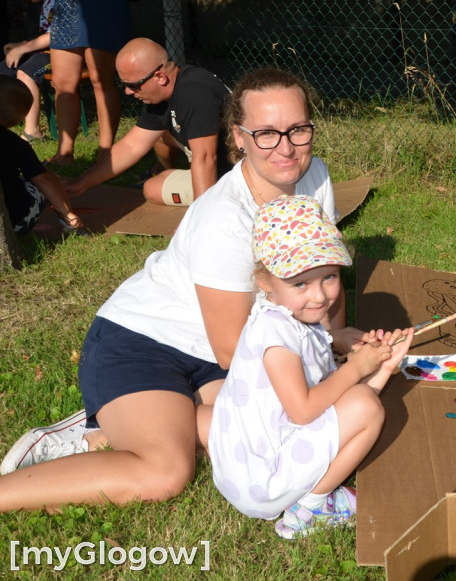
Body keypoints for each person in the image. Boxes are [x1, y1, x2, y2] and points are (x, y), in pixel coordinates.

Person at [0, 68, 371, 509]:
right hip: (144, 342)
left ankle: (116, 431)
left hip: (224, 352)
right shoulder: (225, 221)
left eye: (298, 130)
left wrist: (331, 351)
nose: (286, 148)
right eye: (267, 133)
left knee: (285, 429)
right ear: (239, 137)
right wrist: (329, 365)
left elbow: (322, 272)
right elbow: (233, 352)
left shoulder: (316, 178)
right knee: (165, 472)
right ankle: (90, 439)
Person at [207, 195, 412, 539]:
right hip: (262, 480)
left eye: (329, 277)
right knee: (366, 407)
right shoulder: (274, 335)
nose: (319, 296)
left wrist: (380, 369)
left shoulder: (289, 316)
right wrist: (357, 368)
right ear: (265, 281)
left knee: (363, 403)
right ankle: (308, 511)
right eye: (300, 283)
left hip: (255, 466)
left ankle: (308, 498)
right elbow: (304, 411)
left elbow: (331, 398)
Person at [39, 0, 156, 166]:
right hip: (67, 2)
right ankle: (64, 154)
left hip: (101, 0)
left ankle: (106, 152)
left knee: (100, 79)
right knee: (62, 82)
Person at [64, 38, 232, 206]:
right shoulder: (161, 96)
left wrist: (199, 219)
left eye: (133, 85)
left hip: (237, 173)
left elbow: (205, 158)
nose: (128, 92)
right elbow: (131, 146)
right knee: (152, 188)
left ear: (160, 77)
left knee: (165, 186)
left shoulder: (194, 92)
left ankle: (219, 203)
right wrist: (83, 182)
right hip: (215, 164)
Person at [0, 76, 84, 234]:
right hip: (15, 224)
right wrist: (68, 213)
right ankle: (67, 218)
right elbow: (42, 179)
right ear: (19, 116)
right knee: (47, 175)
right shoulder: (16, 144)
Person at [1, 0, 55, 142]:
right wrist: (21, 45)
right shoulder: (48, 3)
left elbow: (54, 35)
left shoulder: (57, 1)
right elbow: (44, 34)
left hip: (59, 55)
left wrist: (23, 48)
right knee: (3, 68)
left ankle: (33, 132)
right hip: (44, 53)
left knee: (26, 72)